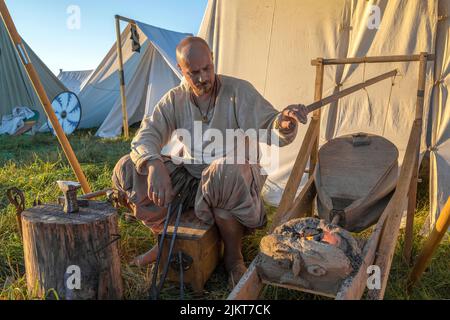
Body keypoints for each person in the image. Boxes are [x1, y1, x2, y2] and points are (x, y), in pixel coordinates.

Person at [112, 36, 308, 287]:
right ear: (181, 70)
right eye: (194, 72)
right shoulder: (174, 99)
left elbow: (270, 126)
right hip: (192, 174)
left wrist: (283, 123)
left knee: (223, 173)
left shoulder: (239, 91)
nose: (203, 77)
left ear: (213, 60)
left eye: (207, 68)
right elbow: (146, 135)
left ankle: (233, 258)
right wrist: (153, 164)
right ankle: (163, 243)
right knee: (128, 168)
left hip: (235, 176)